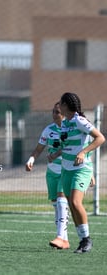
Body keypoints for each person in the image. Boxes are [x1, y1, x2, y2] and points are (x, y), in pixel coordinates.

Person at [49, 92, 105, 253]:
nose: (58, 105)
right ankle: (82, 240)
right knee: (71, 206)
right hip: (66, 170)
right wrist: (56, 154)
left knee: (75, 202)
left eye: (60, 102)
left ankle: (87, 239)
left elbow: (100, 138)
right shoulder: (65, 123)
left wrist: (83, 152)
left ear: (66, 105)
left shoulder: (80, 120)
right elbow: (67, 145)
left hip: (80, 170)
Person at [25, 102, 70, 249]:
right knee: (56, 205)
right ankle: (65, 239)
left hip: (66, 170)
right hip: (52, 172)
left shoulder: (70, 128)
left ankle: (59, 237)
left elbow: (73, 147)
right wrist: (31, 160)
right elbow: (38, 149)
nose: (54, 114)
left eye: (57, 112)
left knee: (62, 200)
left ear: (64, 113)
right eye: (53, 111)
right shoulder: (48, 130)